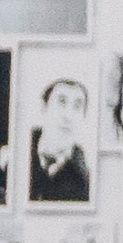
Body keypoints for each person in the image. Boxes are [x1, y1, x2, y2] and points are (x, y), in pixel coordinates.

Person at [26, 74, 91, 207]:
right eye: (62, 102)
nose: (68, 116)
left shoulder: (84, 180)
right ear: (44, 107)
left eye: (77, 106)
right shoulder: (14, 153)